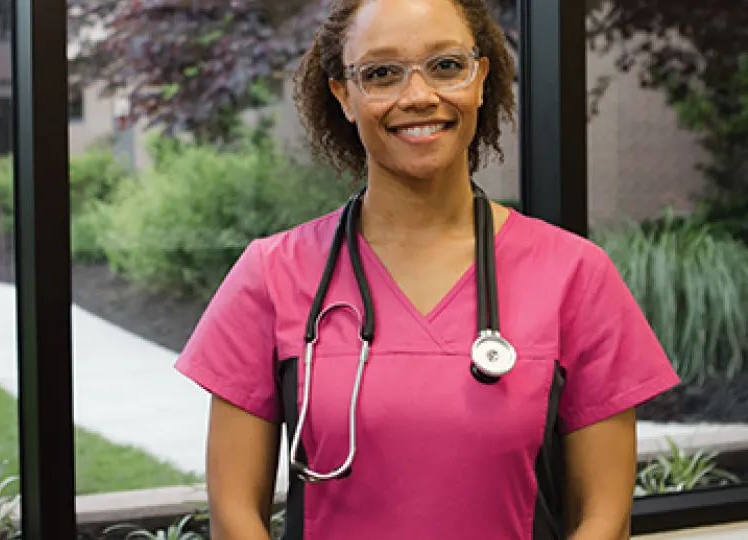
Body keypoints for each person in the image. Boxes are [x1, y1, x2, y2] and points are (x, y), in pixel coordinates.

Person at [174, 0, 681, 538]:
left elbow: (603, 519)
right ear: (344, 95)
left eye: (445, 66)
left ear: (481, 78)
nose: (418, 96)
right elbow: (234, 520)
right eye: (381, 74)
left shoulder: (576, 275)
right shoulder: (270, 276)